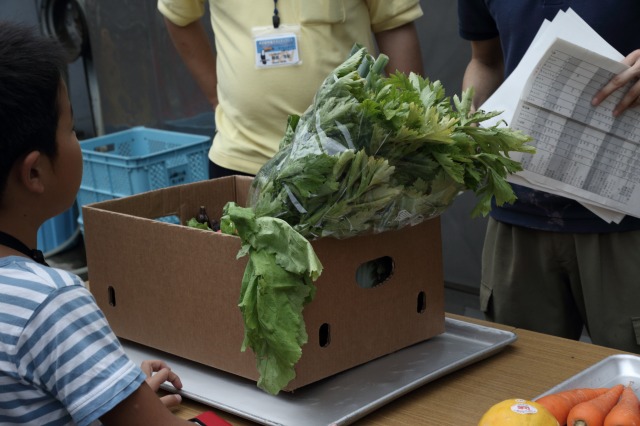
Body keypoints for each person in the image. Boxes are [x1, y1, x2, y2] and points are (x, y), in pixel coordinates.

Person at [0, 21, 199, 425]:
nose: (78, 141)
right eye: (70, 128)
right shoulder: (51, 305)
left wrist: (119, 392)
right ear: (34, 173)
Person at [458, 1, 640, 353]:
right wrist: (471, 110)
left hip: (626, 220)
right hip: (517, 212)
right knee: (522, 388)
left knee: (631, 393)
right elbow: (485, 59)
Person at [158, 0, 425, 178]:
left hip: (351, 161)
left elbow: (394, 23)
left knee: (346, 263)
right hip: (242, 159)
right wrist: (217, 98)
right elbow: (178, 15)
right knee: (239, 263)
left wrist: (404, 137)